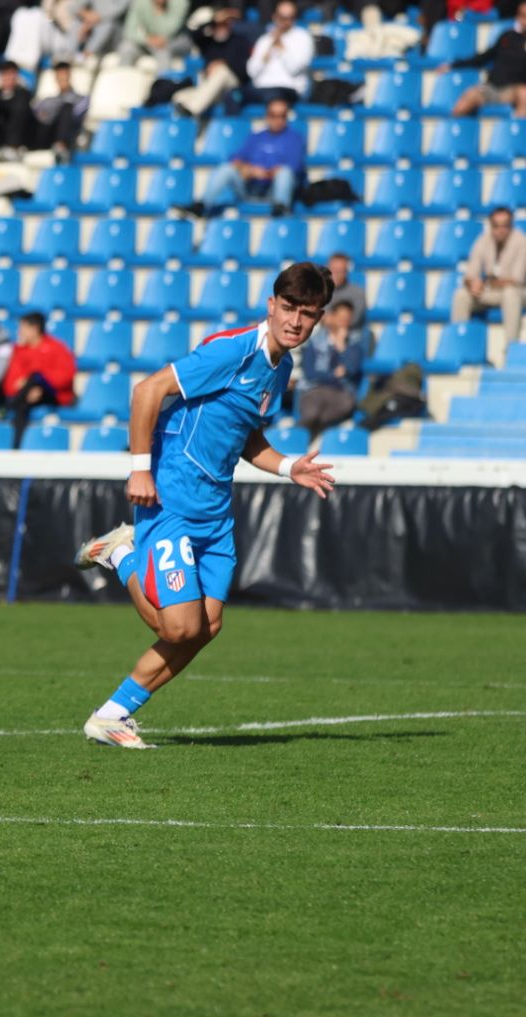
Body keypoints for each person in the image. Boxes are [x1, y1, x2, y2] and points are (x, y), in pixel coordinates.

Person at [72, 263, 337, 748]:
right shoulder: (234, 350)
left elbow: (246, 436)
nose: (297, 322)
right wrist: (139, 469)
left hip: (214, 511)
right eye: (291, 308)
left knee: (206, 627)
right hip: (170, 497)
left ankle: (111, 715)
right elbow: (148, 390)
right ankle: (121, 554)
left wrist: (287, 467)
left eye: (310, 314)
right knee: (177, 624)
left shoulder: (282, 369)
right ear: (272, 304)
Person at [179, 99, 305, 218]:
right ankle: (202, 205)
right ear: (267, 116)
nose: (277, 120)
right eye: (273, 115)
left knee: (285, 174)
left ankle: (281, 208)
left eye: (282, 115)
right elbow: (235, 159)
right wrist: (249, 169)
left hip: (273, 190)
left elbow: (294, 167)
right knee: (226, 169)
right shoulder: (256, 137)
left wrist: (266, 173)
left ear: (286, 117)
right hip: (250, 188)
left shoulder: (295, 139)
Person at [452, 207, 526, 345]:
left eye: (505, 225)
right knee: (461, 295)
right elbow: (469, 274)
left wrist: (485, 283)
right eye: (496, 225)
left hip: (519, 292)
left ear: (511, 225)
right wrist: (472, 284)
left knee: (510, 293)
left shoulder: (522, 241)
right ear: (491, 226)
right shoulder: (483, 240)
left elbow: (516, 280)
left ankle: (511, 349)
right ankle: (460, 345)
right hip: (492, 291)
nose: (501, 229)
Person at [3, 311, 76, 446]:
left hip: (54, 395)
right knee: (23, 405)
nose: (19, 332)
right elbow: (11, 383)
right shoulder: (19, 350)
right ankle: (16, 446)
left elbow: (65, 376)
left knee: (36, 376)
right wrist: (28, 387)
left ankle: (6, 409)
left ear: (34, 328)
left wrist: (38, 388)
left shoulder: (57, 347)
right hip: (26, 396)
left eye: (23, 328)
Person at [442, 1, 526, 118]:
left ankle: (515, 130)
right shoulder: (507, 36)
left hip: (513, 91)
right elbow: (484, 57)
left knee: (524, 94)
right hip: (492, 87)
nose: (523, 20)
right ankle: (449, 127)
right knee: (470, 94)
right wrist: (453, 65)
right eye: (521, 15)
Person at [170, 6, 258, 118]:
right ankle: (186, 126)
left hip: (230, 87)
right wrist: (213, 19)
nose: (221, 28)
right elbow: (193, 34)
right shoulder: (209, 43)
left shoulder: (240, 41)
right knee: (179, 97)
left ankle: (192, 111)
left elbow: (244, 71)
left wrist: (223, 64)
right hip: (209, 88)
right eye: (218, 25)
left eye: (224, 24)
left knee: (221, 72)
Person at [296, 300, 366, 436]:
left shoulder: (354, 344)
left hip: (341, 394)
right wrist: (334, 376)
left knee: (339, 407)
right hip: (314, 390)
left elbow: (351, 370)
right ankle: (299, 438)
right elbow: (310, 373)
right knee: (312, 412)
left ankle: (308, 434)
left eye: (347, 319)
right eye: (341, 318)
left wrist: (341, 348)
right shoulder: (314, 342)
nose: (344, 322)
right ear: (331, 317)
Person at [240, 0, 311, 109]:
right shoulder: (264, 40)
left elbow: (295, 69)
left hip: (287, 89)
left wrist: (281, 47)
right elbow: (251, 71)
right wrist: (266, 53)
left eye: (290, 17)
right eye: (282, 17)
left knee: (273, 97)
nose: (285, 21)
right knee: (234, 96)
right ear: (275, 17)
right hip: (261, 88)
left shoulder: (303, 38)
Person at [32, 62, 89, 163]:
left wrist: (52, 112)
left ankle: (60, 147)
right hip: (47, 134)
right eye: (59, 75)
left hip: (69, 137)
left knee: (66, 108)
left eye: (64, 75)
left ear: (69, 76)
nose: (62, 78)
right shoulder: (48, 100)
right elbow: (37, 112)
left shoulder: (81, 99)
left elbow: (76, 114)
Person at [116, 0, 191, 70]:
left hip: (175, 41)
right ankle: (122, 80)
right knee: (127, 47)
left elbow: (167, 31)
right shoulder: (139, 2)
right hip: (150, 41)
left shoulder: (180, 2)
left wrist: (159, 9)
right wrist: (147, 39)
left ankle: (163, 81)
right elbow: (129, 31)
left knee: (162, 51)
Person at [325, 253, 365, 328]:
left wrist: (330, 320)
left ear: (346, 272)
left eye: (340, 270)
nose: (336, 274)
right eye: (333, 270)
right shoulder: (319, 291)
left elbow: (354, 319)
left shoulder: (357, 293)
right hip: (324, 332)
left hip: (351, 332)